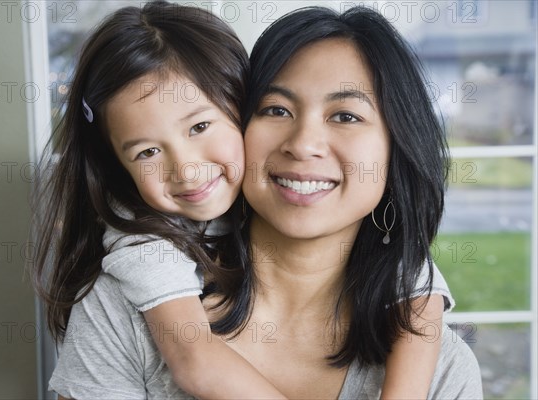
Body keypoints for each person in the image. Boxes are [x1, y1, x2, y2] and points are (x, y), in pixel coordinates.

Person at [34, 3, 481, 399]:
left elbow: (415, 278)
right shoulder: (127, 308)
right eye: (276, 110)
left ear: (397, 148)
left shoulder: (440, 364)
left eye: (345, 116)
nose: (303, 144)